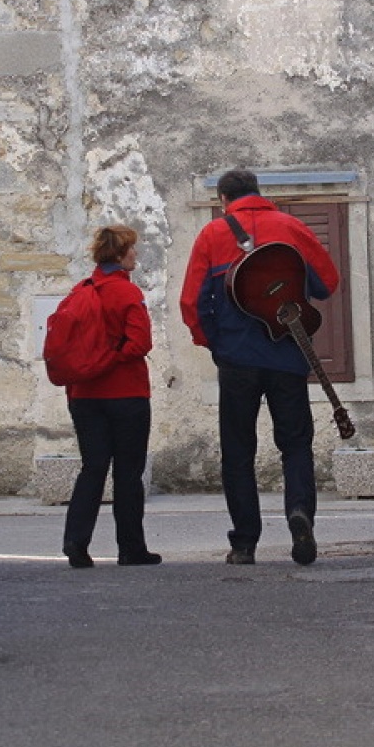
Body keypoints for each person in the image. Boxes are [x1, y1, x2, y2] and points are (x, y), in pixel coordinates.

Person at [180, 169, 340, 566]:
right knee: (295, 444)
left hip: (236, 359)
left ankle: (245, 543)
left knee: (237, 450)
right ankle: (300, 514)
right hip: (287, 354)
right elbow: (328, 284)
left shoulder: (211, 236)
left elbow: (191, 303)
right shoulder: (292, 227)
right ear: (259, 192)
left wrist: (212, 342)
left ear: (223, 199)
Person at [60, 225, 161, 568]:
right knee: (128, 473)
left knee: (92, 468)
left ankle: (76, 541)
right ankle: (131, 548)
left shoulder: (79, 291)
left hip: (84, 394)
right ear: (120, 255)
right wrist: (111, 359)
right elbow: (140, 343)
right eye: (131, 249)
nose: (136, 254)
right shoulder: (128, 294)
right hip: (126, 393)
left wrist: (92, 367)